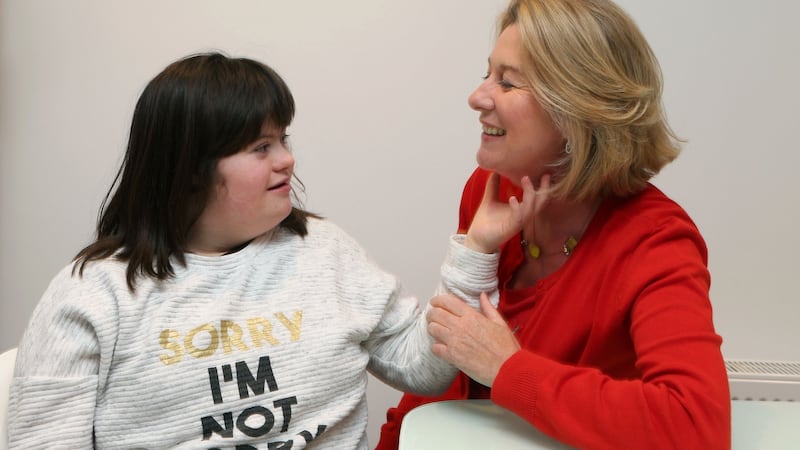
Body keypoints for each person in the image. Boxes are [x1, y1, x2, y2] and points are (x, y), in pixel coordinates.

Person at [7, 52, 525, 449]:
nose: (287, 160)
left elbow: (424, 369)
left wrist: (477, 248)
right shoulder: (93, 294)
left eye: (283, 139)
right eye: (260, 148)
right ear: (190, 168)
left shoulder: (325, 252)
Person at [376, 0, 731, 449]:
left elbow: (694, 427)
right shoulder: (489, 192)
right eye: (486, 74)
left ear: (578, 108)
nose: (477, 97)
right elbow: (455, 353)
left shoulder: (655, 241)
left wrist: (509, 369)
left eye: (507, 82)